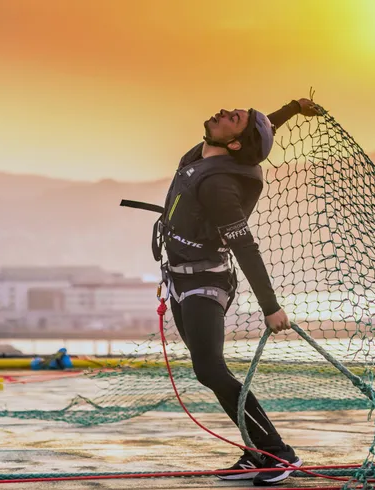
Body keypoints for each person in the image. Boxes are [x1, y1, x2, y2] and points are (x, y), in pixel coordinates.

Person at [159, 98, 318, 486]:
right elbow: (263, 128)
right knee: (206, 371)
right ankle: (256, 451)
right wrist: (293, 108)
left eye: (233, 118)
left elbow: (245, 247)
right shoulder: (216, 150)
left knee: (210, 368)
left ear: (234, 146)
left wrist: (271, 307)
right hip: (178, 280)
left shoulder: (218, 185)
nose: (222, 111)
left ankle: (278, 454)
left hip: (204, 282)